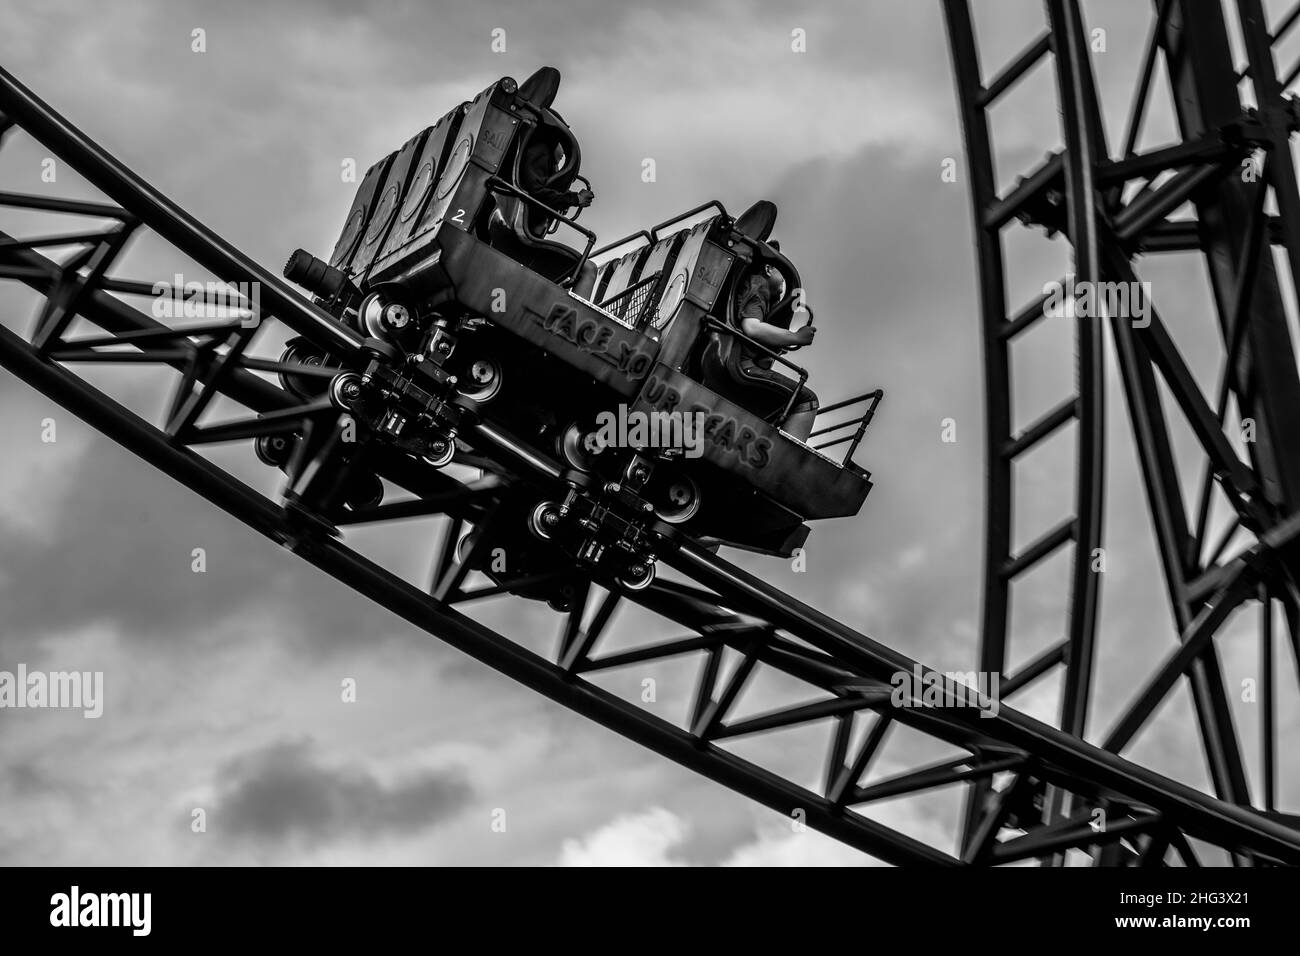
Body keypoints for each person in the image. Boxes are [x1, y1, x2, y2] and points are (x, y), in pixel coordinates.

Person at [734, 263, 818, 441]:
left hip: (743, 362)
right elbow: (752, 328)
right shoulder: (758, 286)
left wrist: (779, 341)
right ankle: (786, 461)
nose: (784, 284)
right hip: (744, 365)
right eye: (782, 273)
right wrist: (795, 337)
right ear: (768, 269)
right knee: (807, 400)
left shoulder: (759, 291)